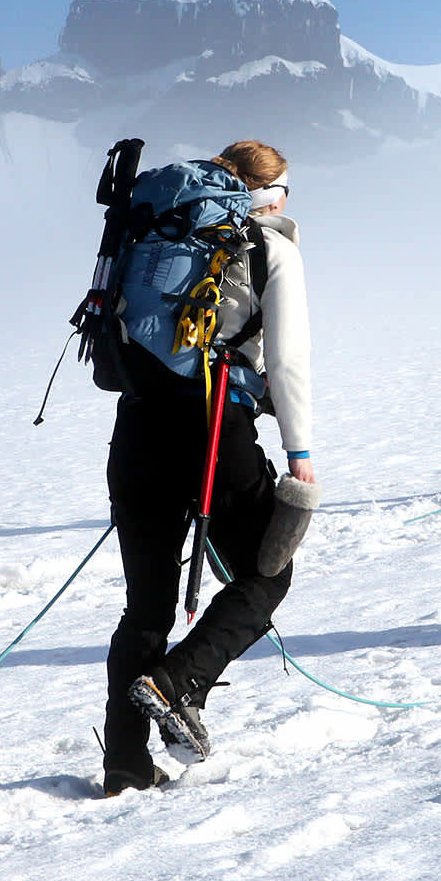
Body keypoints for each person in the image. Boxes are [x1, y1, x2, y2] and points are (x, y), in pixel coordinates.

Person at [102, 140, 314, 796]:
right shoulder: (271, 248)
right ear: (268, 193)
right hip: (215, 426)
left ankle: (125, 764)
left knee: (147, 606)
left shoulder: (156, 233)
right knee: (265, 569)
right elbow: (288, 362)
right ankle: (177, 681)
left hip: (137, 427)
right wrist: (300, 453)